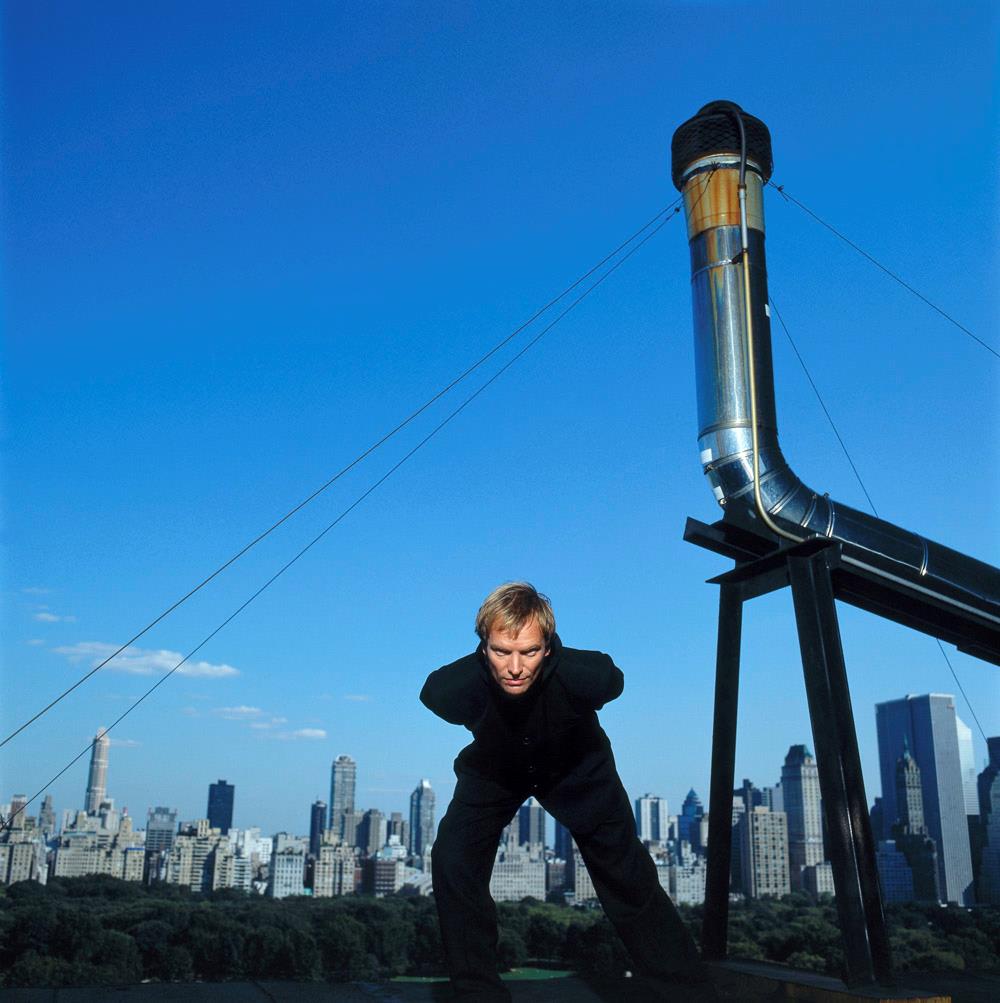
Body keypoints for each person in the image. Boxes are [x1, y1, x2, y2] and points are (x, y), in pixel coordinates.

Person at [420, 582, 710, 1000]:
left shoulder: (584, 677)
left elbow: (613, 680)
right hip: (497, 772)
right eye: (502, 652)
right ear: (483, 647)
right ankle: (477, 994)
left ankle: (689, 994)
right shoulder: (455, 687)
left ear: (549, 648)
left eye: (530, 652)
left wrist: (555, 660)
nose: (515, 667)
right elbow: (435, 694)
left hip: (579, 773)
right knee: (451, 857)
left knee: (628, 877)